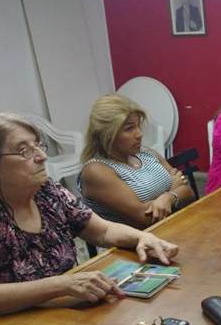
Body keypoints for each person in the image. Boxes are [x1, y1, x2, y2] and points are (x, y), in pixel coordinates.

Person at [0, 113, 179, 316]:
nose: (42, 156)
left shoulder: (47, 191)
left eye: (38, 145)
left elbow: (103, 231)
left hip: (65, 311)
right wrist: (62, 285)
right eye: (23, 151)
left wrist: (142, 237)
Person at [80, 93, 195, 229]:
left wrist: (168, 198)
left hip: (174, 227)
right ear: (107, 134)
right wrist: (173, 192)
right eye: (129, 128)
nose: (139, 134)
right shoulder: (96, 171)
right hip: (139, 240)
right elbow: (146, 219)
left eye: (138, 126)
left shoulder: (146, 153)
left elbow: (189, 192)